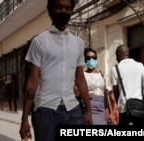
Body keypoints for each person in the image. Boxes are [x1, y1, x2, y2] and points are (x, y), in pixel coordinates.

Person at [19, 0, 92, 141]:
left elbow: (80, 79)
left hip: (73, 110)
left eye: (67, 8)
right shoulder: (40, 41)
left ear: (71, 11)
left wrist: (88, 111)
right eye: (59, 7)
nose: (63, 11)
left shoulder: (78, 43)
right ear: (50, 10)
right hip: (46, 111)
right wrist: (24, 120)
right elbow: (32, 81)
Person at [111, 44, 144, 125]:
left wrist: (115, 106)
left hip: (124, 107)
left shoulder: (115, 69)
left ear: (119, 54)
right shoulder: (140, 65)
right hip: (138, 106)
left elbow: (115, 91)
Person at [83, 47, 118, 125]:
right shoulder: (83, 75)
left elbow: (106, 93)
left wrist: (111, 110)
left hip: (102, 108)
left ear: (96, 59)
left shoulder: (101, 74)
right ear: (85, 60)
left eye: (93, 57)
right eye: (88, 58)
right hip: (89, 109)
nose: (91, 60)